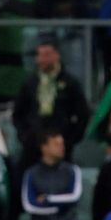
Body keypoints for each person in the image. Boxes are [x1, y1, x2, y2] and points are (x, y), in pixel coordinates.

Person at [12, 40, 90, 168]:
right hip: (32, 144)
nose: (41, 59)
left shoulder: (70, 83)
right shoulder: (30, 82)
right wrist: (25, 136)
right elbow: (18, 113)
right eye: (39, 55)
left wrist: (69, 140)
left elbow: (83, 114)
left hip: (60, 144)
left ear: (57, 55)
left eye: (46, 55)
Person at [21, 131, 83, 220]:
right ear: (44, 147)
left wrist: (48, 199)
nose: (62, 147)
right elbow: (29, 205)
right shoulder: (31, 173)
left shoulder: (72, 170)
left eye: (62, 144)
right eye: (56, 144)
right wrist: (60, 206)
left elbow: (74, 197)